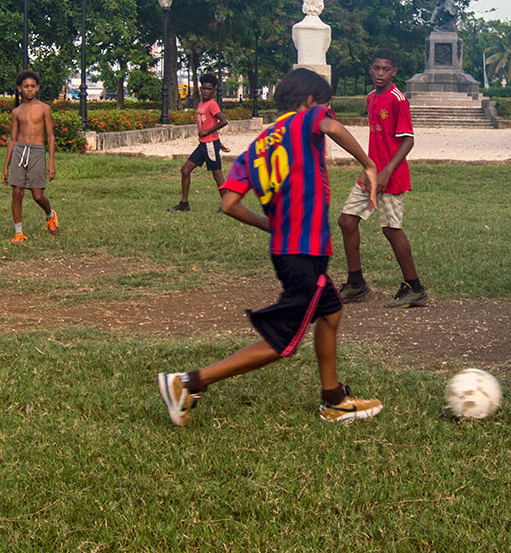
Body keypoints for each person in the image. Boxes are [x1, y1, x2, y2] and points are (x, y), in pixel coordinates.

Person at [157, 68, 383, 426]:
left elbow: (228, 204)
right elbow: (330, 126)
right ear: (310, 100)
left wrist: (270, 225)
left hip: (286, 250)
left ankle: (334, 399)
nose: (325, 112)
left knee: (331, 312)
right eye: (323, 104)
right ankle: (189, 382)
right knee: (283, 342)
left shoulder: (258, 145)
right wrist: (368, 163)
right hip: (303, 252)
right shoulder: (305, 119)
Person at [337, 49, 427, 309]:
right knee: (347, 220)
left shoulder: (398, 99)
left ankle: (415, 288)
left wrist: (386, 171)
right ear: (370, 69)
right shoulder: (370, 98)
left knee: (391, 229)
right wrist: (370, 169)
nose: (380, 73)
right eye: (376, 68)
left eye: (385, 69)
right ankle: (356, 283)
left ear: (394, 72)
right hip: (371, 174)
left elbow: (408, 140)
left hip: (391, 176)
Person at [1, 70, 59, 242]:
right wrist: (6, 166)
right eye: (26, 86)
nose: (29, 90)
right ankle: (18, 232)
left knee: (37, 195)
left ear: (38, 88)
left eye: (33, 86)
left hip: (37, 152)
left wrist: (52, 162)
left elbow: (50, 136)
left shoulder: (44, 109)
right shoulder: (17, 112)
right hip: (20, 150)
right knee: (17, 192)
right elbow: (12, 138)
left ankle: (50, 215)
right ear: (19, 88)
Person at [168, 74, 227, 212]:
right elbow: (209, 122)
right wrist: (218, 141)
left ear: (214, 91)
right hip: (203, 145)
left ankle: (227, 205)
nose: (206, 91)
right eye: (204, 88)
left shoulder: (212, 104)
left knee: (217, 174)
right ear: (200, 89)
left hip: (210, 144)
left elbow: (224, 121)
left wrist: (209, 133)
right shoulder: (201, 104)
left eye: (209, 89)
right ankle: (184, 204)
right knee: (185, 170)